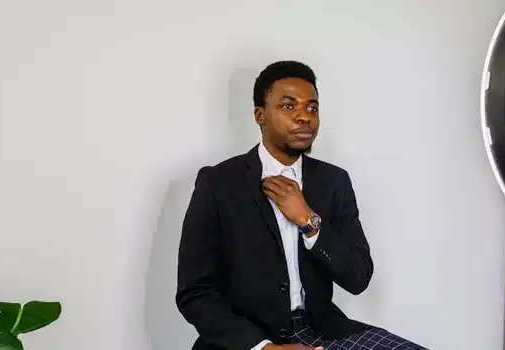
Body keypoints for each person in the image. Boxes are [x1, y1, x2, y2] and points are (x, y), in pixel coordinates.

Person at [176, 61, 426, 350]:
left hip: (322, 330)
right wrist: (264, 349)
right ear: (260, 115)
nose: (304, 117)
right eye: (287, 106)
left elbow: (358, 277)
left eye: (312, 108)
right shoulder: (218, 183)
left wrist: (309, 221)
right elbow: (195, 293)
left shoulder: (333, 181)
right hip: (247, 340)